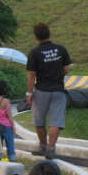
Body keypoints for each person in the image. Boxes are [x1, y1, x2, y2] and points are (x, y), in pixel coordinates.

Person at [26, 22, 71, 159]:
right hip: (58, 90)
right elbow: (66, 69)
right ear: (49, 33)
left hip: (41, 91)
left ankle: (43, 146)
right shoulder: (60, 49)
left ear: (36, 37)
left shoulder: (34, 53)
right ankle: (51, 149)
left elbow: (32, 75)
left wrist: (29, 93)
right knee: (56, 121)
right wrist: (58, 76)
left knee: (39, 121)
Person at [0, 80, 17, 162]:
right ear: (4, 89)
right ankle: (12, 158)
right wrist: (13, 127)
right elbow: (10, 116)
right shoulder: (6, 101)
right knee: (10, 143)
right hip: (7, 126)